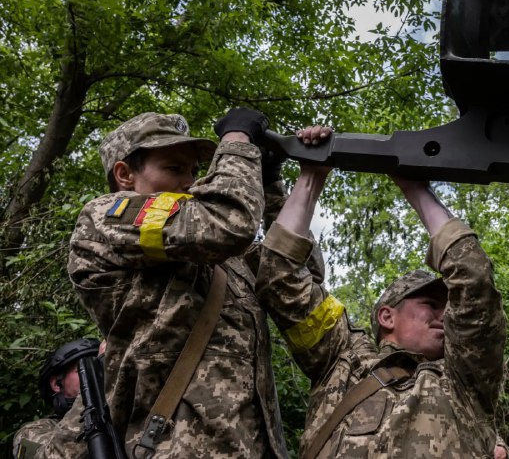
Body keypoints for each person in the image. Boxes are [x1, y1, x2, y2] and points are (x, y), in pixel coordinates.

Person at [61, 109, 325, 458]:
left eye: (193, 171)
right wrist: (235, 140)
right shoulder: (105, 217)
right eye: (174, 168)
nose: (188, 181)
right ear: (125, 174)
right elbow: (228, 224)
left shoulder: (218, 257)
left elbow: (295, 274)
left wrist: (272, 183)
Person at [261, 129, 507, 458]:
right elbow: (279, 276)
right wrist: (311, 175)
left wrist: (415, 188)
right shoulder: (341, 360)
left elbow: (473, 277)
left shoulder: (465, 378)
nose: (445, 314)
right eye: (431, 304)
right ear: (387, 316)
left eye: (448, 307)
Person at [13, 338, 101, 459]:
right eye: (83, 369)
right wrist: (92, 393)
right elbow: (51, 455)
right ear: (56, 384)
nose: (99, 373)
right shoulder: (34, 431)